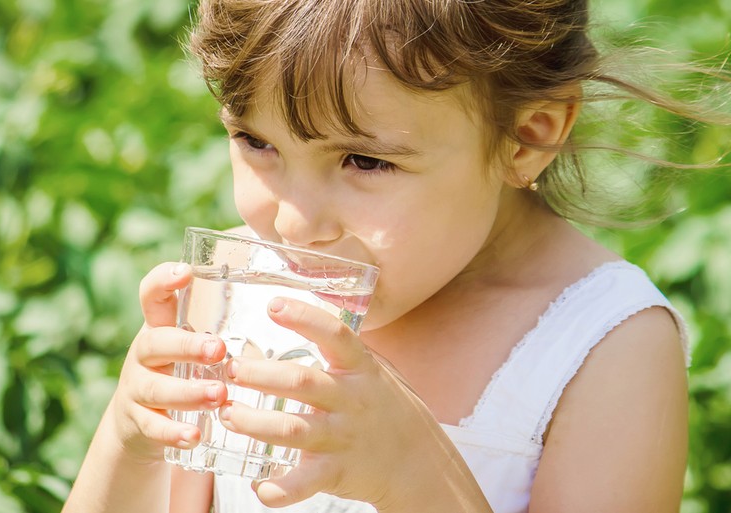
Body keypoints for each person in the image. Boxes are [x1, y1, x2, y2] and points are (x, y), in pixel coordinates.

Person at [63, 0, 724, 511]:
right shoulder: (243, 285)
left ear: (527, 136)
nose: (294, 225)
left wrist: (414, 475)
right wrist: (131, 435)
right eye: (256, 142)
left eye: (364, 161)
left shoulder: (603, 345)